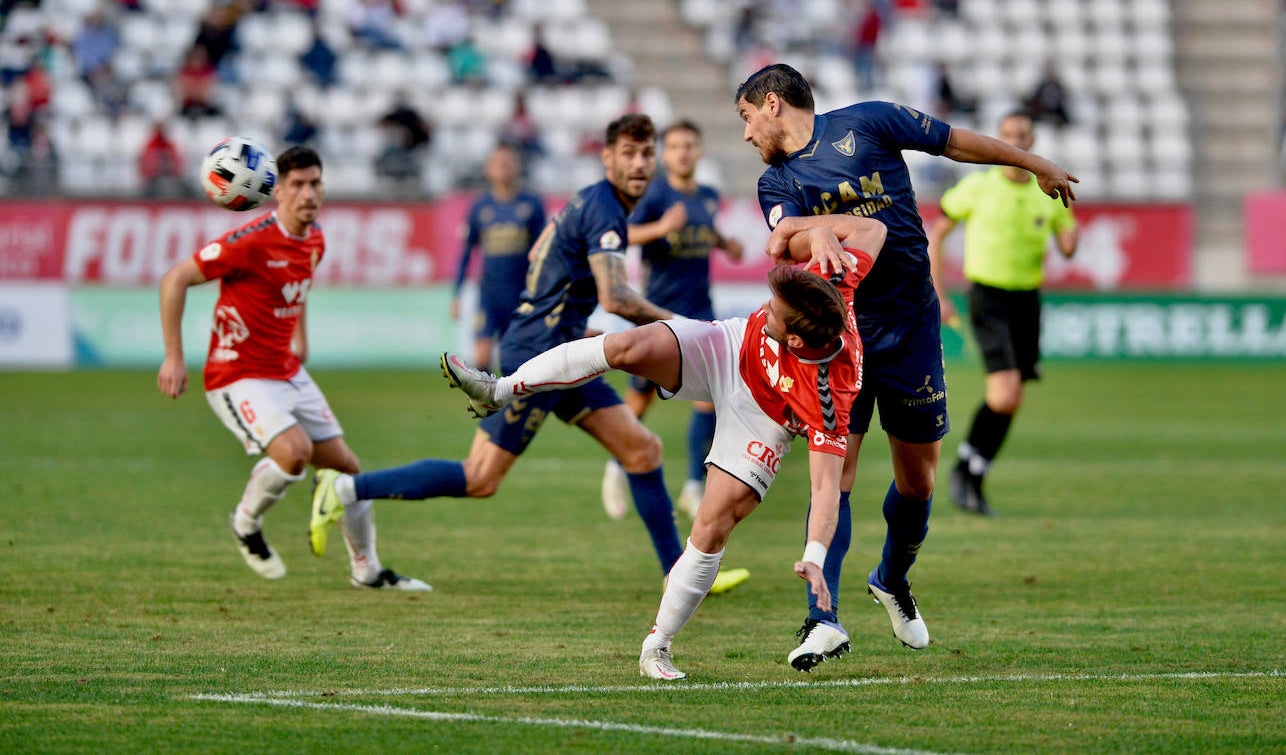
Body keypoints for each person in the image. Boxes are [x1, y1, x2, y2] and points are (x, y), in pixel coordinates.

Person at [308, 115, 749, 594]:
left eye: (646, 153)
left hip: (559, 345)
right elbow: (617, 297)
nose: (640, 163)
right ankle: (346, 489)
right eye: (629, 153)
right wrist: (682, 329)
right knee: (480, 477)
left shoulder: (592, 202)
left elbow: (546, 257)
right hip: (542, 354)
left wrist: (566, 321)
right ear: (607, 158)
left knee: (642, 450)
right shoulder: (604, 208)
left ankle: (680, 576)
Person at [444, 213, 886, 680]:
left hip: (763, 418)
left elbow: (825, 488)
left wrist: (815, 557)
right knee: (629, 347)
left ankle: (657, 647)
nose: (767, 303)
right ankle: (499, 390)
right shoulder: (833, 278)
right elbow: (873, 230)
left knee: (713, 525)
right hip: (731, 347)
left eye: (774, 309)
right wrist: (814, 230)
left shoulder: (831, 394)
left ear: (795, 339)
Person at [735, 63, 1076, 665]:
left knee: (917, 483)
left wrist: (1030, 161)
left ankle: (892, 578)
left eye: (745, 119)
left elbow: (954, 141)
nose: (745, 135)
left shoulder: (869, 122)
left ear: (771, 104)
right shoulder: (777, 181)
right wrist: (811, 232)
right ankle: (822, 617)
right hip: (839, 338)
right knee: (835, 477)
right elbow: (778, 237)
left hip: (911, 327)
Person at [156, 146, 428, 591]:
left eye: (315, 183)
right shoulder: (249, 241)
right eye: (298, 185)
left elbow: (293, 288)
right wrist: (173, 355)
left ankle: (368, 571)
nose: (308, 193)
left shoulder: (314, 238)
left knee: (348, 471)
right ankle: (245, 522)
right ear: (276, 191)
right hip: (236, 374)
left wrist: (300, 336)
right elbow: (175, 278)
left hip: (285, 369)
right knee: (294, 453)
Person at [928, 112, 1079, 516]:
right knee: (1005, 392)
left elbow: (1067, 245)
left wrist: (1071, 236)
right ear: (1000, 140)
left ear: (1031, 141)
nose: (1015, 141)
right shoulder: (977, 187)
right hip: (988, 297)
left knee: (1012, 400)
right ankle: (965, 470)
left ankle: (973, 472)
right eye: (1008, 135)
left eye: (1022, 135)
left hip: (1027, 301)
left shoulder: (1044, 188)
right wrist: (938, 293)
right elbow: (936, 233)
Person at [600, 119, 745, 523]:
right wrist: (662, 227)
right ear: (666, 154)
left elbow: (707, 230)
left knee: (712, 400)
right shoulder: (655, 194)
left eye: (689, 145)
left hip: (700, 313)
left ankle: (694, 488)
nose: (682, 152)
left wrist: (726, 244)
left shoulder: (708, 197)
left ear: (699, 152)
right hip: (656, 316)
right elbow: (623, 234)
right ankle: (616, 468)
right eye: (676, 146)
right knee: (639, 401)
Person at [452, 144, 546, 372]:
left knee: (515, 364)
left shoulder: (531, 204)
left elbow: (544, 253)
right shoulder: (480, 206)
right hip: (490, 296)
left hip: (521, 296)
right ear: (488, 169)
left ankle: (511, 408)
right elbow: (466, 253)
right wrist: (457, 295)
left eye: (508, 162)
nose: (503, 168)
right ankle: (489, 409)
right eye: (498, 163)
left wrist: (543, 293)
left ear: (517, 167)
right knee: (481, 361)